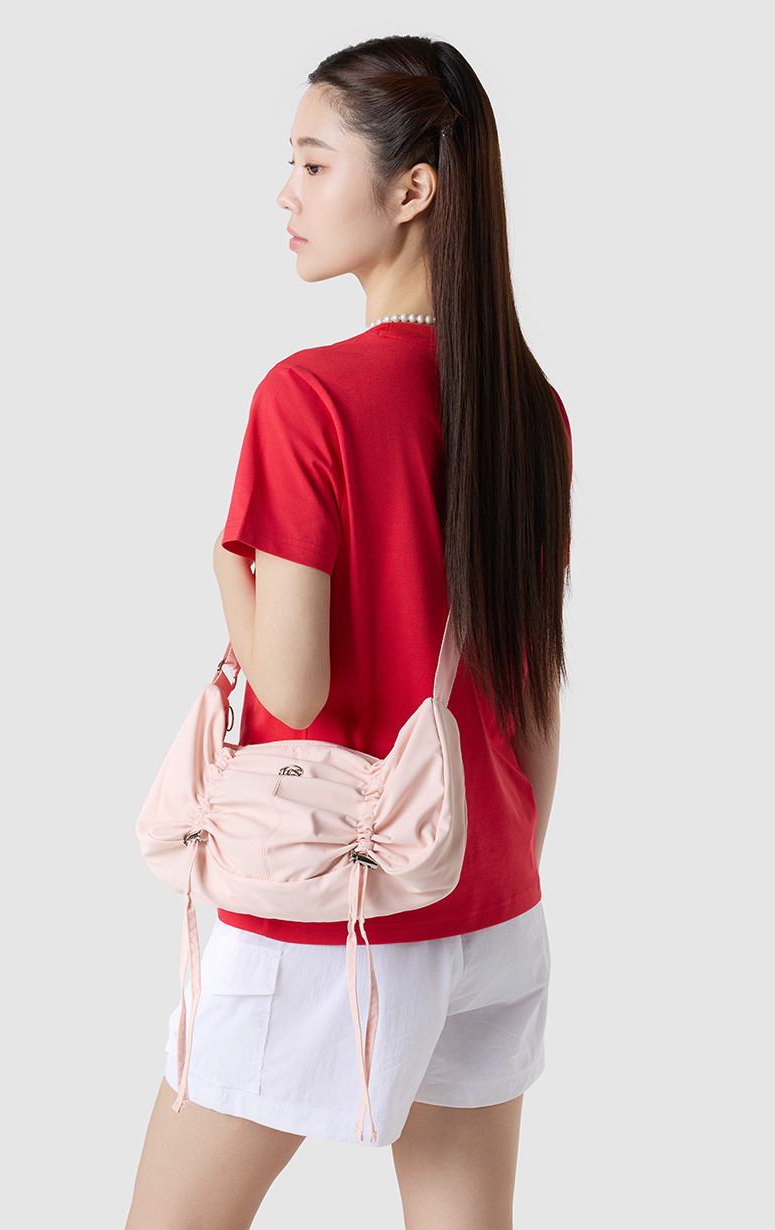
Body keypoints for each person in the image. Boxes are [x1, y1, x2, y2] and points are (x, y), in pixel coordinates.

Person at [126, 33, 573, 1230]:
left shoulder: (309, 397)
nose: (286, 193)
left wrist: (226, 572)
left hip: (332, 914)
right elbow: (532, 688)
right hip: (493, 904)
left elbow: (294, 686)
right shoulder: (529, 408)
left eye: (314, 164)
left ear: (411, 187)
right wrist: (497, 873)